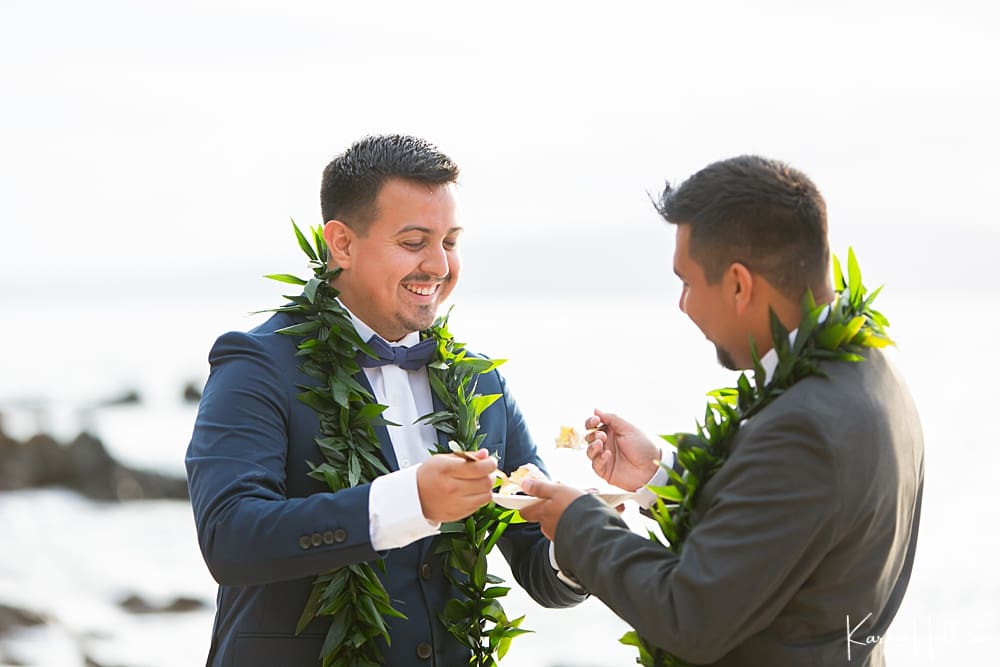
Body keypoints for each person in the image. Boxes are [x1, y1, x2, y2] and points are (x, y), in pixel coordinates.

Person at [185, 134, 585, 666]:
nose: (439, 266)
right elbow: (231, 538)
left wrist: (583, 534)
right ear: (342, 244)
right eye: (414, 242)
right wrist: (410, 501)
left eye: (450, 241)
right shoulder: (257, 364)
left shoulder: (480, 382)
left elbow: (539, 563)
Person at [519, 155, 924, 666]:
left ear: (738, 284)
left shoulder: (804, 427)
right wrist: (660, 476)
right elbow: (777, 533)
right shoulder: (874, 376)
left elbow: (690, 615)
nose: (682, 305)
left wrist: (577, 521)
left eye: (687, 282)